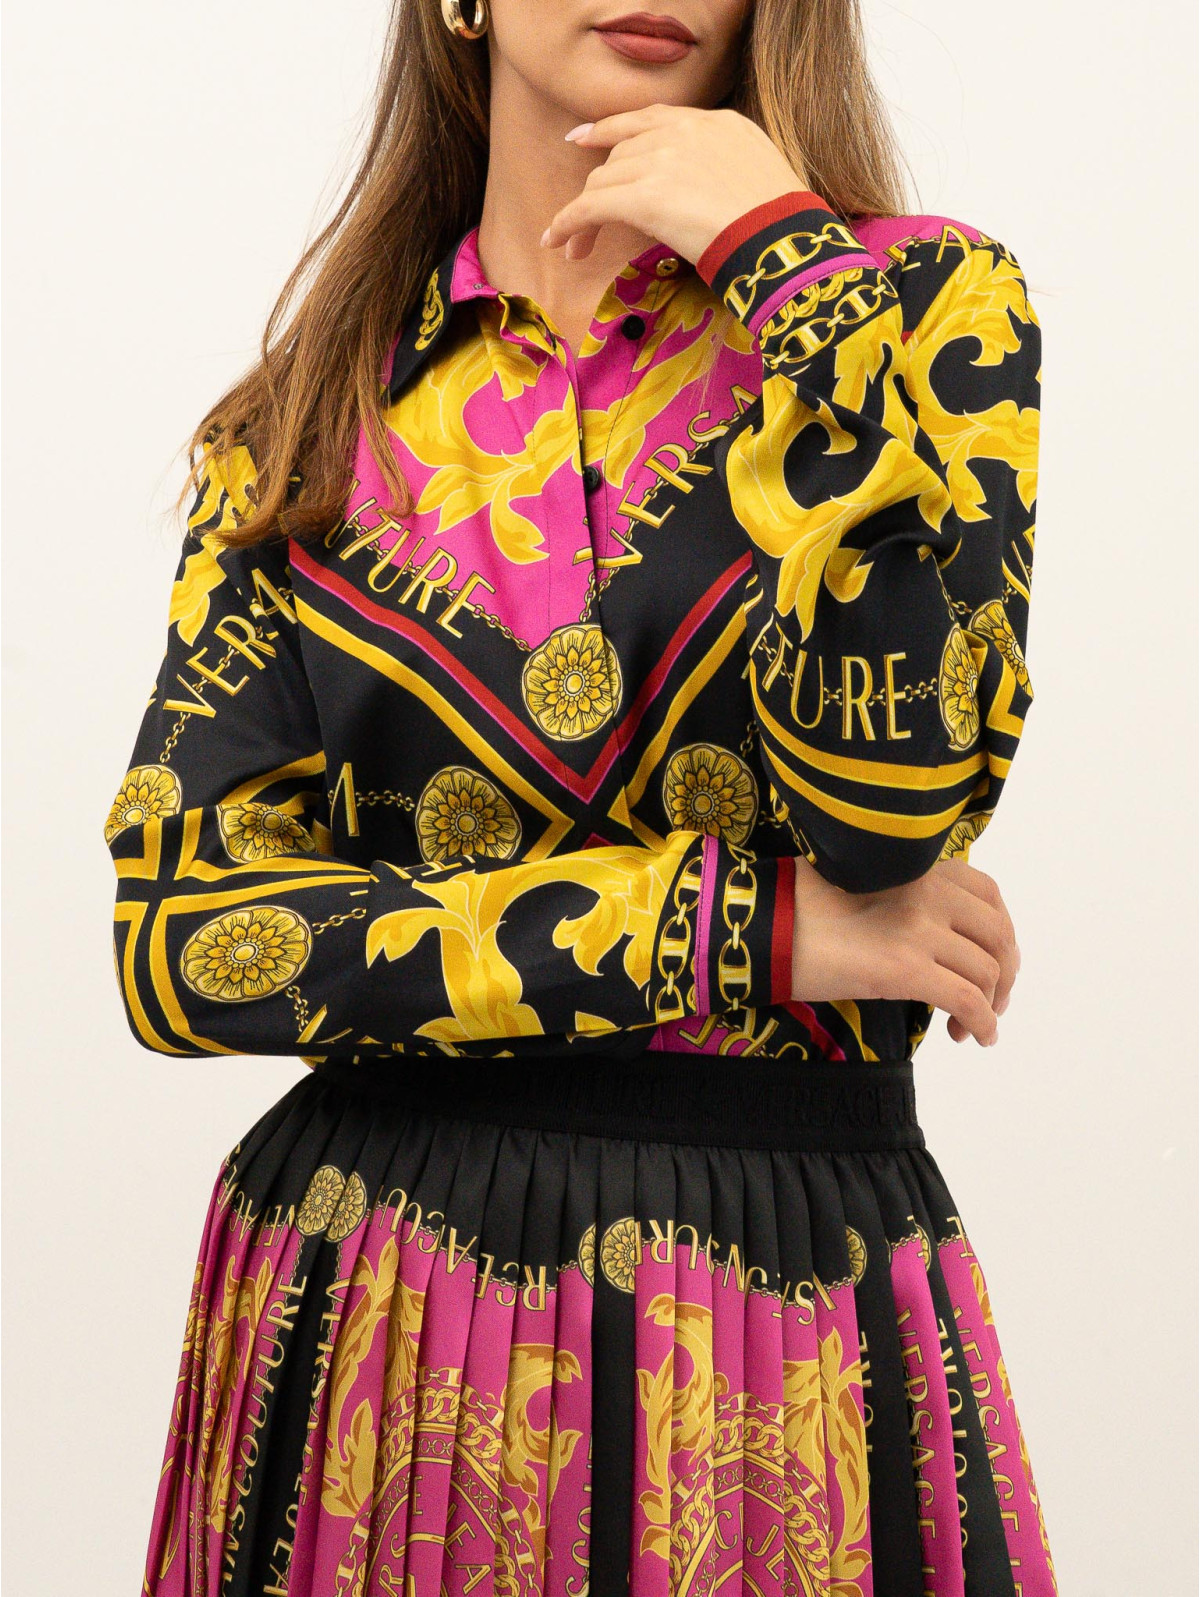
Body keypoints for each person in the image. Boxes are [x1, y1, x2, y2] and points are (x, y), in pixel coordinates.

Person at [104, 0, 1056, 1591]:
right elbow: (186, 944)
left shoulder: (918, 311)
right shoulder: (300, 429)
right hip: (378, 1312)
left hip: (783, 1302)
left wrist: (784, 260)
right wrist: (738, 929)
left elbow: (887, 810)